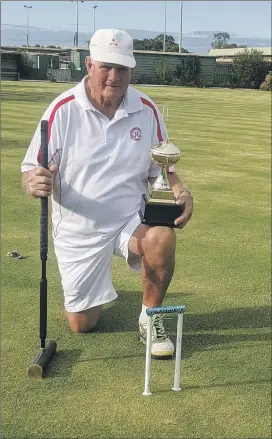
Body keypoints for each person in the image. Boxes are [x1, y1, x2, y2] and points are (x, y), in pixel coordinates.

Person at [21, 28, 193, 359]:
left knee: (162, 236)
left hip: (130, 220)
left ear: (132, 70)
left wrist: (179, 188)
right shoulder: (63, 110)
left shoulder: (146, 108)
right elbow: (32, 169)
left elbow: (163, 166)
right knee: (83, 324)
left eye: (123, 68)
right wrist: (33, 182)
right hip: (78, 230)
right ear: (89, 65)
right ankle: (91, 295)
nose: (114, 77)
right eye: (106, 66)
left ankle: (149, 317)